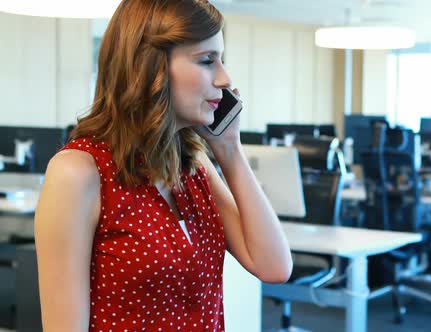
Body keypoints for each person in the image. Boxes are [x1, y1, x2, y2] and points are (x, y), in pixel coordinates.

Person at [33, 0, 293, 331]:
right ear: (150, 66)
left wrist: (229, 149)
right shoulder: (79, 172)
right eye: (207, 61)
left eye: (221, 60)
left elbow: (274, 267)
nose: (225, 78)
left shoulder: (193, 167)